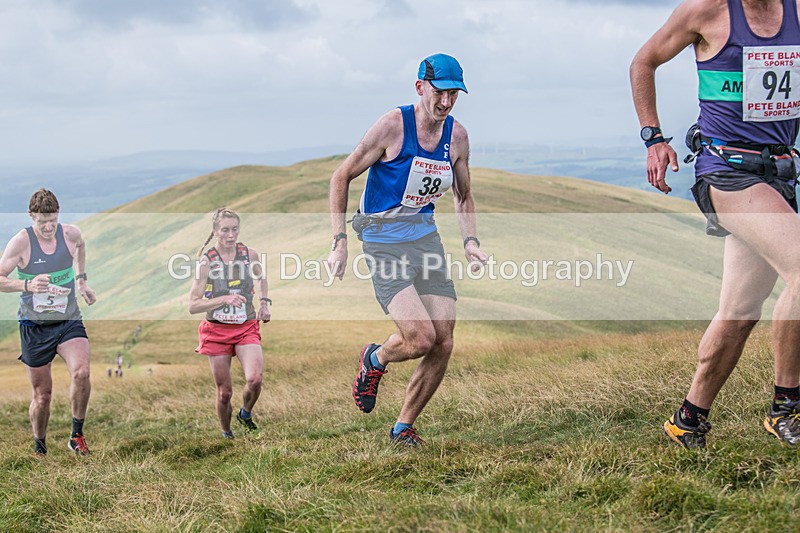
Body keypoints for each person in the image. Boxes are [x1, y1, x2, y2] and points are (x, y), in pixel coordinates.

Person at [631, 0, 800, 448]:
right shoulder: (706, 10)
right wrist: (654, 139)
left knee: (739, 312)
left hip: (779, 174)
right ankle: (787, 407)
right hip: (726, 172)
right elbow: (643, 61)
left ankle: (687, 421)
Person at [327, 53, 489, 446]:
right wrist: (339, 242)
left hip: (424, 239)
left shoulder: (458, 137)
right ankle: (375, 359)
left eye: (454, 95)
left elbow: (463, 195)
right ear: (420, 87)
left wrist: (471, 242)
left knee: (444, 340)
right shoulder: (392, 126)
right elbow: (341, 176)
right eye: (439, 93)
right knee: (419, 338)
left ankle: (403, 427)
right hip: (383, 242)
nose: (446, 103)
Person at [0, 188, 97, 455]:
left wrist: (81, 281)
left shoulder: (70, 234)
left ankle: (76, 436)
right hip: (34, 328)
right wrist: (27, 284)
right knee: (43, 396)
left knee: (82, 372)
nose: (48, 226)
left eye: (52, 220)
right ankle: (39, 446)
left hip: (68, 320)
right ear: (32, 217)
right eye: (42, 221)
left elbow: (81, 246)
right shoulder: (21, 242)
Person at [189, 207, 271, 439]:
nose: (230, 235)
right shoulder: (206, 262)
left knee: (254, 380)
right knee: (224, 393)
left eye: (234, 229)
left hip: (246, 326)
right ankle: (227, 433)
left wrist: (264, 303)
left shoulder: (249, 254)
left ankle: (245, 413)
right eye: (225, 230)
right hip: (216, 331)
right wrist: (223, 299)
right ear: (215, 231)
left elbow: (262, 277)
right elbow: (193, 305)